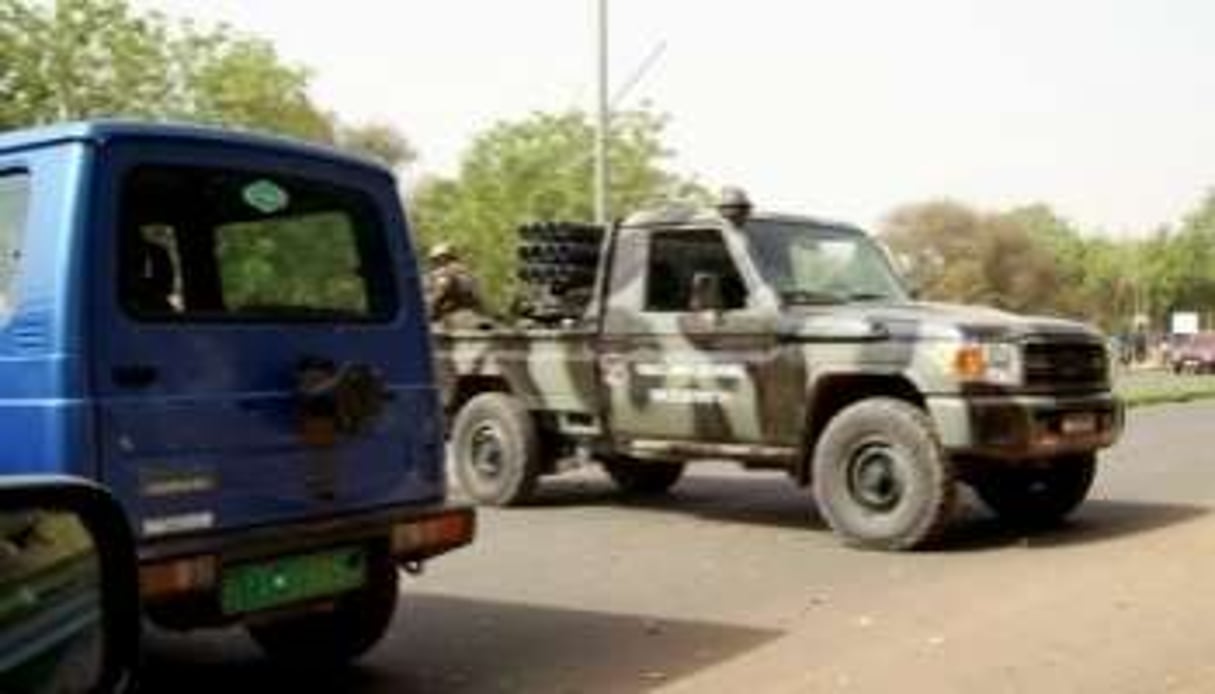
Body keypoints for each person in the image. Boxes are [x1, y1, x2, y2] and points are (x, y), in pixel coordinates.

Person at [425, 242, 488, 325]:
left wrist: (430, 313)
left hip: (455, 312)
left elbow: (439, 293)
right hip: (473, 311)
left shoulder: (444, 273)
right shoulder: (466, 270)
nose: (436, 262)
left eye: (437, 259)